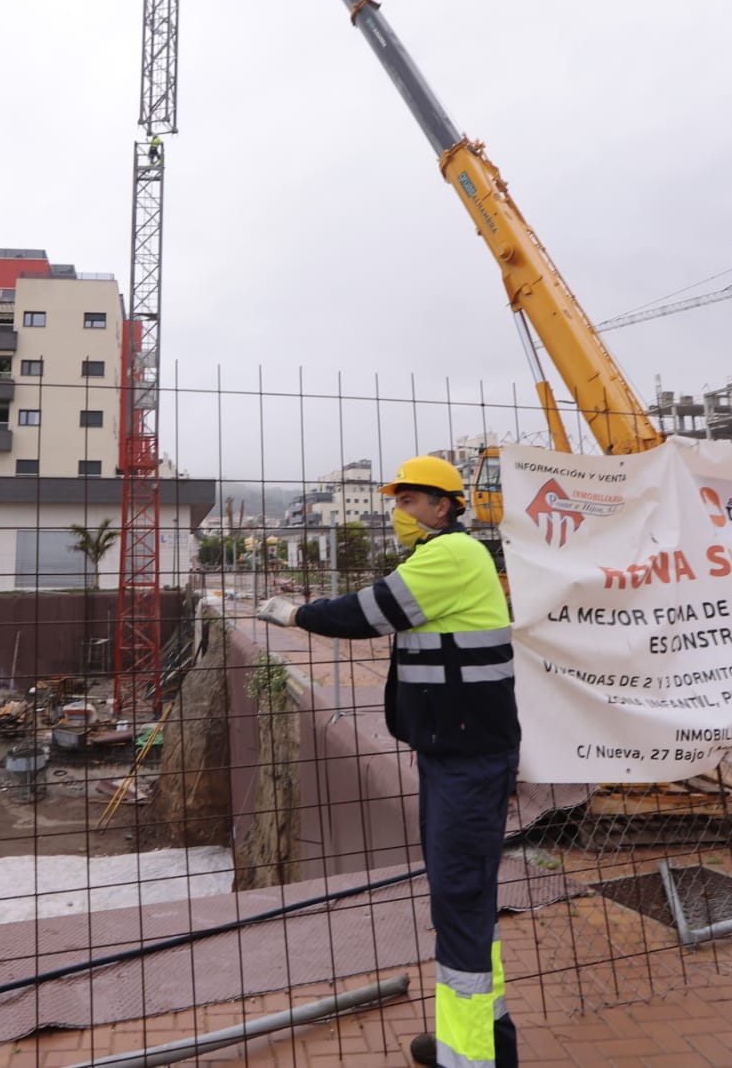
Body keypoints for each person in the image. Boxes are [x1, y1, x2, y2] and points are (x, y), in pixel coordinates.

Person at [257, 455, 518, 1068]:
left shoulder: (450, 556)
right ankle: (477, 1040)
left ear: (444, 505)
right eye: (397, 500)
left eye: (409, 500)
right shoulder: (445, 555)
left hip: (468, 758)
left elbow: (368, 613)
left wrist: (294, 613)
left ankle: (470, 1058)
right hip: (454, 751)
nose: (398, 511)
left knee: (459, 894)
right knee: (463, 900)